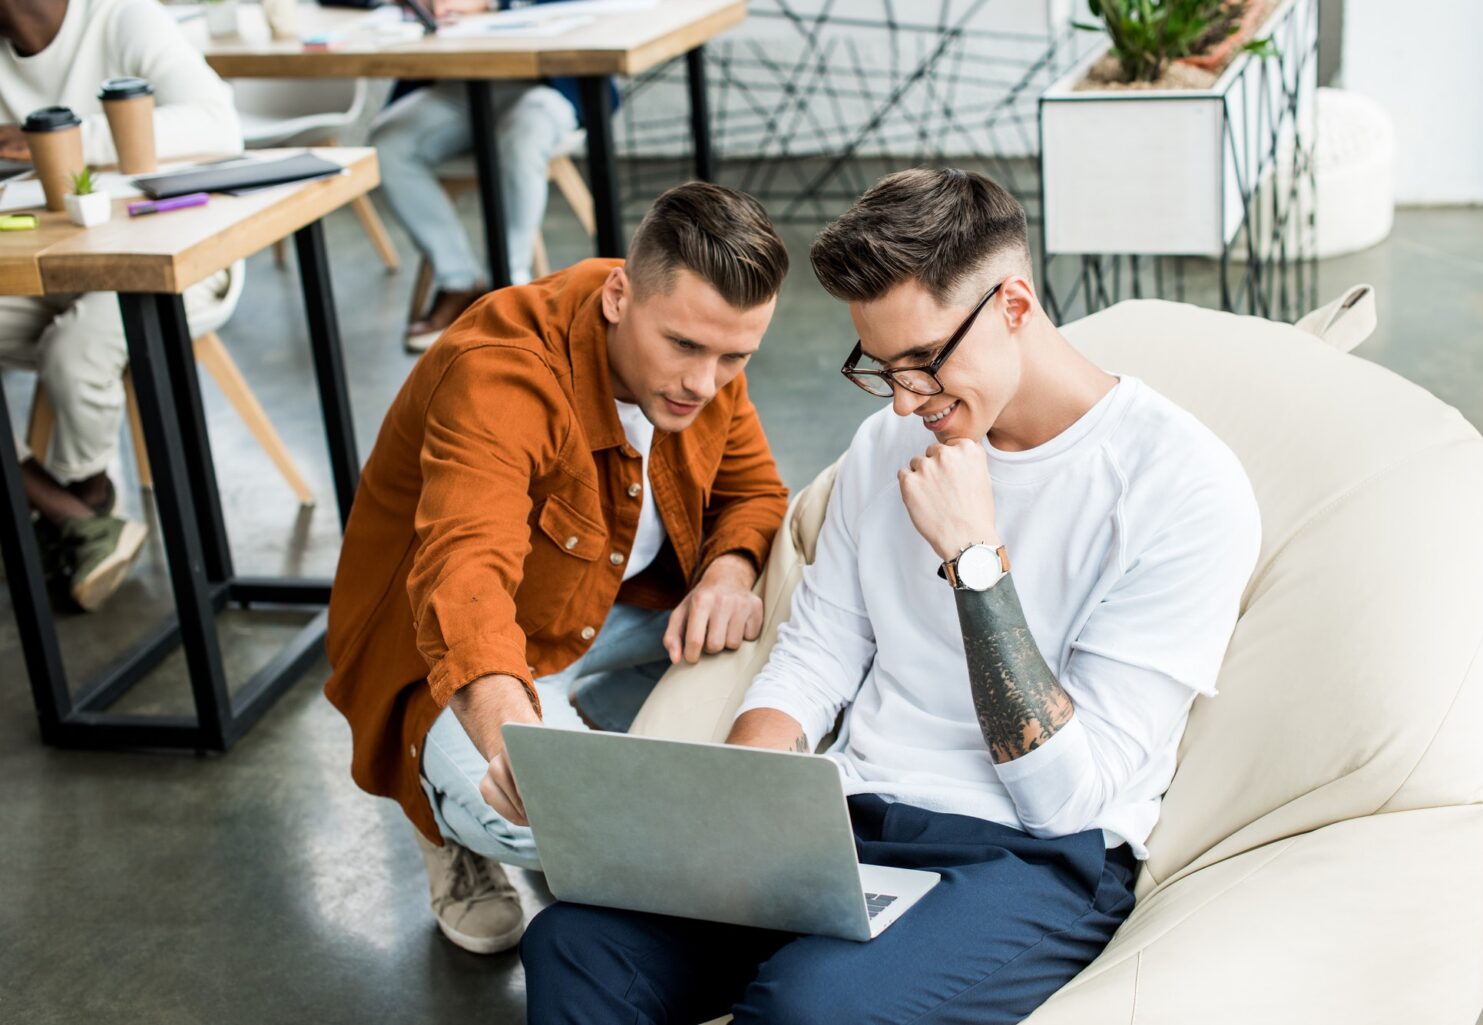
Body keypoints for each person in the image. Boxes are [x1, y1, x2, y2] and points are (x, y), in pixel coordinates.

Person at [521, 168, 1263, 1024]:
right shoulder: (888, 442)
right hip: (847, 822)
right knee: (574, 943)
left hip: (1027, 861)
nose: (907, 400)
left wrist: (974, 560)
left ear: (1014, 304)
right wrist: (742, 800)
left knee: (813, 1004)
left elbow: (1067, 798)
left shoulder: (1180, 486)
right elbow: (817, 651)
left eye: (923, 362)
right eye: (882, 367)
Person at [324, 181, 792, 956]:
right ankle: (445, 823)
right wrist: (519, 746)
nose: (704, 384)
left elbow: (753, 491)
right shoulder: (500, 373)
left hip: (614, 611)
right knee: (540, 811)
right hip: (473, 651)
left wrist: (729, 572)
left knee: (785, 664)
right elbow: (464, 581)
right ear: (619, 296)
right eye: (684, 347)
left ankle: (602, 743)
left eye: (734, 357)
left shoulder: (701, 342)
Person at [0, 0, 243, 610]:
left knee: (77, 352)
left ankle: (84, 502)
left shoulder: (120, 16)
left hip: (174, 260)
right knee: (73, 341)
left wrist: (56, 140)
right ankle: (73, 513)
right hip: (46, 262)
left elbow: (218, 124)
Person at [369, 0, 616, 353]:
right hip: (458, 79)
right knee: (388, 145)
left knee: (522, 137)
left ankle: (507, 289)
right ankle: (458, 280)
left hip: (547, 82)